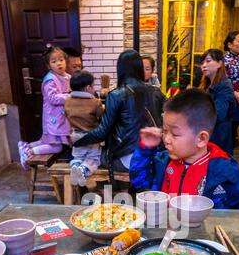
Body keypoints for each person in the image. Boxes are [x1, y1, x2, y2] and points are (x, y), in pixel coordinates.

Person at [130, 89, 239, 216]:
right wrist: (145, 150)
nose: (166, 139)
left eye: (174, 134)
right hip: (168, 232)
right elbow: (138, 180)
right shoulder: (162, 161)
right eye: (165, 131)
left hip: (206, 237)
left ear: (201, 139)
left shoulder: (224, 168)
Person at [72, 49, 165, 177]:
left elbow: (102, 132)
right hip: (156, 158)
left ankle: (96, 192)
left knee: (90, 155)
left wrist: (77, 141)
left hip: (129, 161)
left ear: (120, 69)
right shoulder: (156, 92)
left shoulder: (116, 94)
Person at [18, 46, 71, 170]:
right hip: (53, 117)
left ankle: (26, 146)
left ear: (65, 61)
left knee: (47, 140)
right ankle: (29, 152)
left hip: (62, 116)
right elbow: (53, 98)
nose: (59, 63)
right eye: (54, 61)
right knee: (56, 146)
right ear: (49, 65)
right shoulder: (49, 80)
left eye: (61, 60)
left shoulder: (67, 77)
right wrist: (70, 96)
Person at [64, 70, 104, 186]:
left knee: (78, 156)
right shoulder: (95, 102)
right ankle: (84, 170)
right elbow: (102, 117)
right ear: (88, 88)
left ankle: (76, 166)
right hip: (91, 136)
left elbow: (66, 115)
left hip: (75, 136)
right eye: (93, 86)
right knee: (93, 159)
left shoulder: (67, 101)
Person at [199, 49, 235, 155]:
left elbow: (219, 114)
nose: (204, 65)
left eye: (208, 61)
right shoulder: (207, 84)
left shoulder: (224, 86)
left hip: (219, 137)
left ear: (219, 63)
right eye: (202, 62)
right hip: (209, 133)